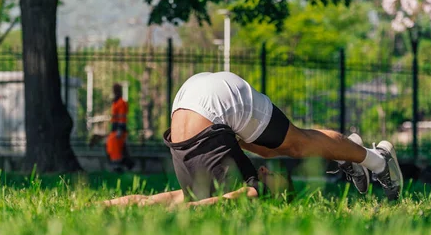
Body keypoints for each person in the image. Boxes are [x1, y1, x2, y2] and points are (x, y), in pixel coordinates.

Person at [105, 72, 403, 207]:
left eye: (273, 179)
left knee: (284, 147)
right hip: (200, 103)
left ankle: (352, 155)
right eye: (273, 180)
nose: (265, 174)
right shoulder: (248, 188)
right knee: (292, 145)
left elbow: (153, 201)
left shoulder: (213, 187)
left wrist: (106, 205)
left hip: (202, 104)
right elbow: (188, 204)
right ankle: (375, 160)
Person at [106, 83, 134, 171]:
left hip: (119, 129)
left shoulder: (121, 103)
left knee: (116, 148)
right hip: (115, 129)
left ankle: (119, 166)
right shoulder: (116, 102)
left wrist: (120, 129)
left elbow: (122, 117)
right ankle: (123, 165)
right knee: (116, 148)